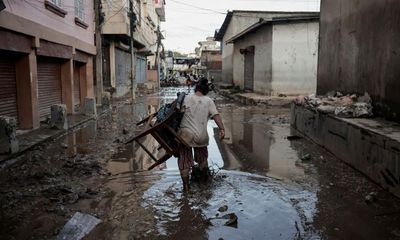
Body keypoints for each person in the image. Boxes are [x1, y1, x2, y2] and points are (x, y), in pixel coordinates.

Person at [178, 77, 225, 192]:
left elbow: (177, 113)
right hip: (201, 137)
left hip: (185, 136)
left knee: (184, 160)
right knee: (202, 159)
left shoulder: (186, 98)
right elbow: (216, 116)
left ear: (196, 88)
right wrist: (222, 129)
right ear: (206, 90)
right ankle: (204, 186)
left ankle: (186, 188)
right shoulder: (209, 101)